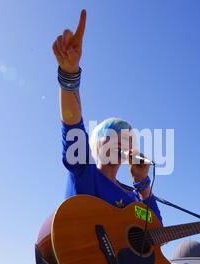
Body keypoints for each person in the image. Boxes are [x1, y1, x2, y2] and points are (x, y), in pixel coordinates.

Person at [51, 9, 162, 222]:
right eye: (112, 135)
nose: (121, 142)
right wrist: (69, 74)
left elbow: (155, 230)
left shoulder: (133, 199)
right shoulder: (85, 173)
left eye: (127, 140)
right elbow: (72, 122)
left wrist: (142, 182)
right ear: (94, 144)